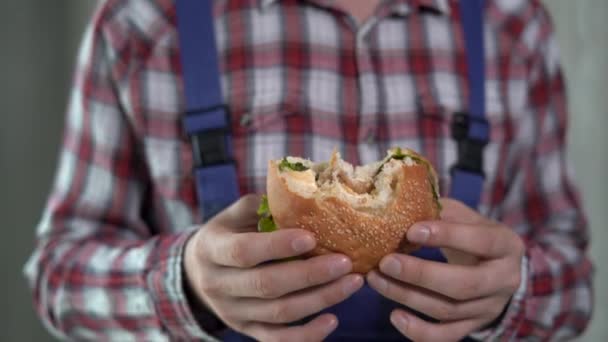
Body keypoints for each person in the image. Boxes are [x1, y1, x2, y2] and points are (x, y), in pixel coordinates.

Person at [24, 0, 592, 341]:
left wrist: (515, 290)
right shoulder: (145, 21)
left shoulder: (512, 26)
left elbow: (574, 278)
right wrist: (185, 283)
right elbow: (58, 274)